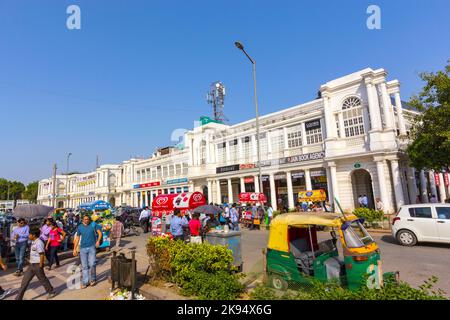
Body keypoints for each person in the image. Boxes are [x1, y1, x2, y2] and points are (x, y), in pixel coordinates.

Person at [15, 229, 56, 300]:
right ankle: (18, 298)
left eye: (30, 234)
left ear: (33, 235)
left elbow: (42, 255)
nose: (28, 235)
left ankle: (51, 292)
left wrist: (40, 266)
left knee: (43, 280)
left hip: (37, 265)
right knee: (24, 281)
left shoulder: (39, 242)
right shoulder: (33, 242)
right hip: (31, 265)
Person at [73, 214, 102, 289]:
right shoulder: (79, 227)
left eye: (88, 219)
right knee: (84, 266)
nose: (86, 220)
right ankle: (85, 282)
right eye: (85, 219)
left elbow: (100, 233)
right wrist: (74, 249)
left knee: (92, 264)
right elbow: (77, 238)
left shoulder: (93, 225)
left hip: (92, 247)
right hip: (83, 248)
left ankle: (93, 279)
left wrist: (98, 241)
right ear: (82, 220)